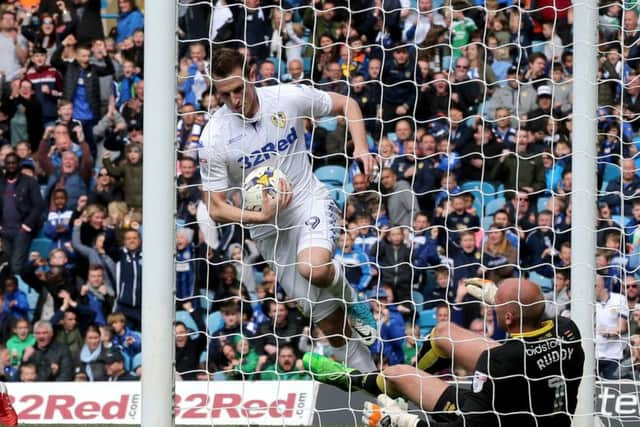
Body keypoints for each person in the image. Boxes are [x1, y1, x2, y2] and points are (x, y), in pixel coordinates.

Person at [199, 48, 377, 372]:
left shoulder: (287, 98)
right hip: (268, 229)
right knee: (330, 326)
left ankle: (353, 299)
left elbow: (347, 105)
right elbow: (215, 208)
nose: (235, 99)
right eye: (225, 94)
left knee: (315, 269)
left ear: (251, 75)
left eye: (239, 89)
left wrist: (362, 149)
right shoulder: (213, 137)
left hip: (307, 199)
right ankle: (377, 389)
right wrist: (259, 217)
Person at [306, 278, 585, 427]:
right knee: (443, 333)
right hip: (529, 402)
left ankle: (352, 380)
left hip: (495, 418)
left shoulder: (498, 360)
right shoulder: (567, 330)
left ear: (509, 318)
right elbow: (540, 309)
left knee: (400, 376)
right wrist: (499, 296)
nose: (491, 308)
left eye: (496, 307)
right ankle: (397, 378)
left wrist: (407, 423)